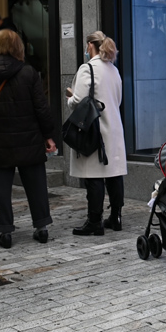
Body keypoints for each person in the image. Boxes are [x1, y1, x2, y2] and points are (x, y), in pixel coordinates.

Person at [0, 29, 57, 248]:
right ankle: (41, 227)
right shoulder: (29, 72)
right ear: (19, 47)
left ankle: (6, 231)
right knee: (36, 184)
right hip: (29, 137)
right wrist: (49, 135)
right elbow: (41, 108)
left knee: (2, 188)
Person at [69, 32, 128, 235]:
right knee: (114, 174)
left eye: (87, 46)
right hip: (114, 127)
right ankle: (116, 217)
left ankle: (94, 221)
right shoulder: (114, 70)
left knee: (93, 175)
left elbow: (78, 100)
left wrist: (69, 98)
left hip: (94, 130)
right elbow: (117, 99)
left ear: (90, 45)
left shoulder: (88, 69)